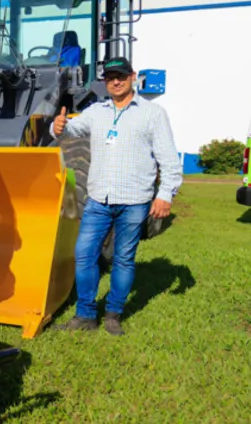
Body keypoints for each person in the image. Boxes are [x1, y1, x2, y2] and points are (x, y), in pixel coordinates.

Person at [50, 57, 183, 336]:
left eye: (121, 75)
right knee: (84, 254)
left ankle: (113, 314)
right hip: (99, 199)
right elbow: (72, 130)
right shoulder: (96, 111)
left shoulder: (153, 113)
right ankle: (86, 314)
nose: (116, 81)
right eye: (110, 77)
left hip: (135, 201)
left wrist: (165, 195)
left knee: (123, 258)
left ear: (132, 76)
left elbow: (169, 159)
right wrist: (58, 126)